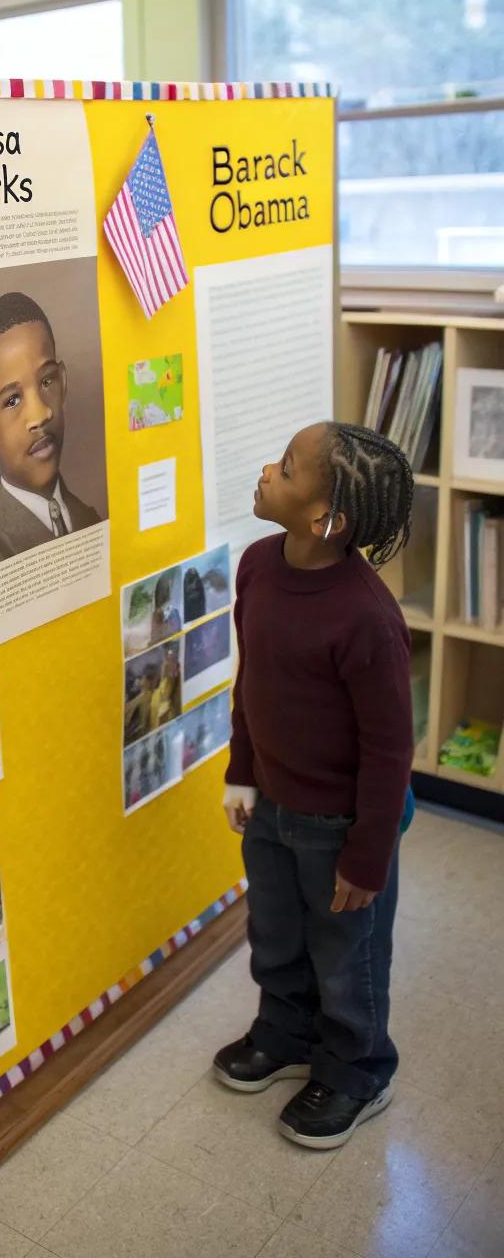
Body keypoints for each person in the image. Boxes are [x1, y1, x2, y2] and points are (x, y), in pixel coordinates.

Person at [215, 421, 416, 1151]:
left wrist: (368, 858)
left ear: (326, 520)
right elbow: (252, 686)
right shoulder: (257, 568)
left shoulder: (367, 618)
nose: (268, 470)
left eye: (289, 470)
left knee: (347, 951)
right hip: (270, 806)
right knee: (276, 932)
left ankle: (358, 1068)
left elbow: (392, 750)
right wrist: (241, 771)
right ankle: (286, 1032)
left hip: (342, 826)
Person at [0, 292, 101, 576]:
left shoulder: (88, 517)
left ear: (64, 382)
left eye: (47, 381)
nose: (40, 415)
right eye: (12, 400)